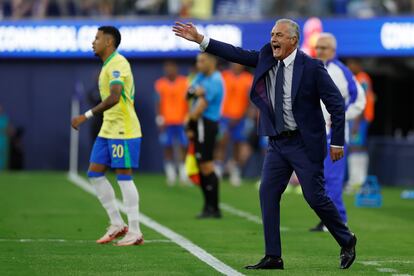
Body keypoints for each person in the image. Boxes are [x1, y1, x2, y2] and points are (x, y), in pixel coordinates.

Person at [173, 19, 357, 270]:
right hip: (278, 143)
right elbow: (236, 54)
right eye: (272, 34)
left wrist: (337, 142)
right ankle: (273, 256)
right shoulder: (266, 56)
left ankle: (346, 240)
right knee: (267, 193)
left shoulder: (312, 67)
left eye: (279, 35)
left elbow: (336, 105)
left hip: (305, 143)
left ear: (293, 40)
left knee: (314, 197)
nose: (273, 39)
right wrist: (201, 40)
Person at [71, 26, 143, 246]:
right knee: (94, 173)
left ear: (109, 42)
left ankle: (135, 230)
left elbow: (114, 97)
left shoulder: (118, 63)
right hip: (108, 128)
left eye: (97, 38)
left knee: (124, 175)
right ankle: (116, 223)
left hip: (123, 128)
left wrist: (86, 115)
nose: (93, 42)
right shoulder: (107, 65)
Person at [310, 33, 366, 232]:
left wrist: (341, 117)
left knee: (332, 177)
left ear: (333, 50)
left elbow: (360, 99)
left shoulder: (342, 71)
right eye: (318, 47)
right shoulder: (313, 68)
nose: (320, 51)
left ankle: (339, 219)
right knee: (319, 179)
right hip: (315, 133)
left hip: (336, 136)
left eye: (324, 48)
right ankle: (327, 218)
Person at [186, 52, 224, 218]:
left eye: (202, 61)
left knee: (206, 164)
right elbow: (187, 93)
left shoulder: (215, 80)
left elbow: (201, 105)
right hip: (200, 124)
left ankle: (213, 208)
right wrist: (195, 91)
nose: (198, 64)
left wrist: (188, 122)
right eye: (197, 61)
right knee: (202, 164)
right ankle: (209, 206)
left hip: (206, 124)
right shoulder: (200, 77)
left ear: (211, 62)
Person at [216, 63, 253, 186]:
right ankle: (218, 169)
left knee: (238, 144)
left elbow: (250, 100)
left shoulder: (248, 78)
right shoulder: (223, 76)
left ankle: (235, 172)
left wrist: (246, 116)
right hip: (224, 117)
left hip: (240, 118)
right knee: (221, 143)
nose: (236, 65)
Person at [154, 60, 189, 185]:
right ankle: (170, 174)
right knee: (167, 146)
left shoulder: (185, 82)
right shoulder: (160, 83)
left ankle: (183, 172)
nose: (169, 71)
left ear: (176, 69)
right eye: (167, 69)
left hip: (182, 120)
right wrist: (159, 118)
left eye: (171, 68)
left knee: (184, 146)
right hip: (167, 121)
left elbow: (189, 101)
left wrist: (188, 117)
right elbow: (157, 102)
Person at [346, 58, 376, 193]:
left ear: (357, 64)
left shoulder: (361, 79)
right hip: (360, 119)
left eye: (351, 64)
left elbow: (362, 102)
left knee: (355, 148)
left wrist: (356, 123)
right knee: (359, 148)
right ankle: (360, 181)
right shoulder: (362, 78)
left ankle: (356, 182)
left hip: (359, 119)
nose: (349, 67)